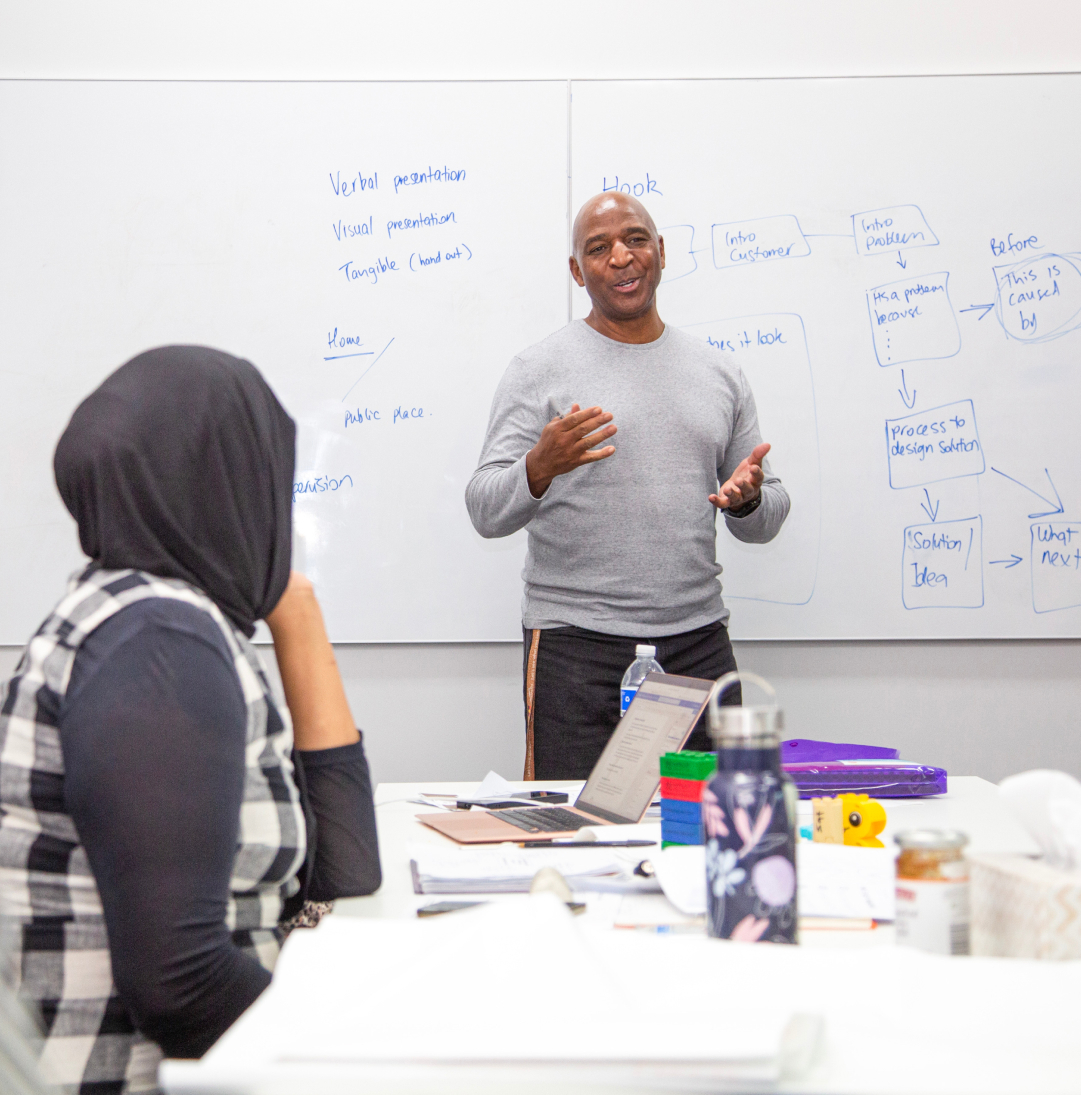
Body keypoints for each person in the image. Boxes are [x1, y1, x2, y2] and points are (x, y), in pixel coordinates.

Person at [0, 346, 381, 1093]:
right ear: (231, 483)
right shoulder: (157, 641)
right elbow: (179, 985)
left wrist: (296, 612)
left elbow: (342, 871)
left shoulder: (146, 612)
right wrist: (355, 1059)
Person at [466, 193, 790, 780]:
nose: (621, 257)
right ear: (576, 271)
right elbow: (485, 507)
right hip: (574, 647)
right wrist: (539, 466)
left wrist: (750, 501)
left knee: (719, 825)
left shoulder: (718, 371)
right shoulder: (537, 369)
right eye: (599, 247)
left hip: (697, 642)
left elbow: (768, 514)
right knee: (574, 831)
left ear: (660, 252)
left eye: (636, 239)